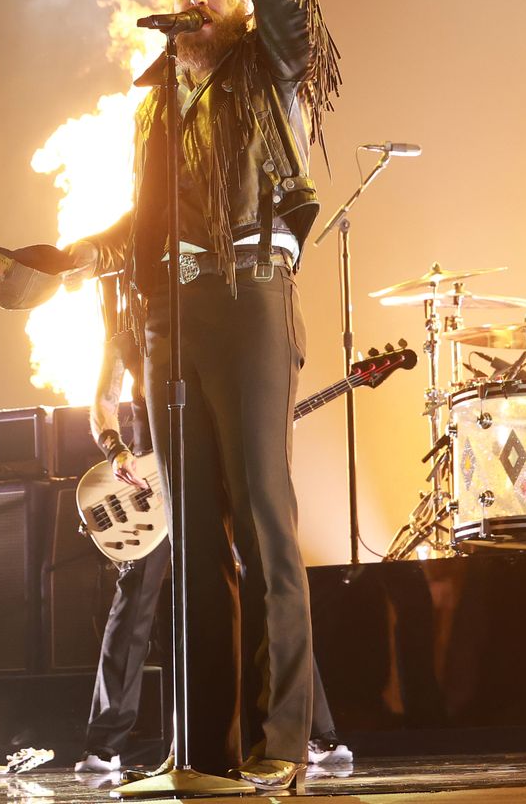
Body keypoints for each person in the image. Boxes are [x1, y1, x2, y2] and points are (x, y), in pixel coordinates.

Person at [64, 0, 341, 790]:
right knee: (197, 534)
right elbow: (138, 237)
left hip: (253, 298)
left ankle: (279, 743)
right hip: (174, 322)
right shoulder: (154, 105)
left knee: (264, 519)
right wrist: (102, 332)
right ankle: (206, 752)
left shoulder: (268, 68)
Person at [73, 305, 352, 776]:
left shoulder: (209, 312)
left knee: (267, 586)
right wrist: (115, 449)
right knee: (135, 601)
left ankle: (316, 733)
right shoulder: (127, 327)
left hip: (213, 467)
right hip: (150, 481)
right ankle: (104, 744)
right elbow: (102, 400)